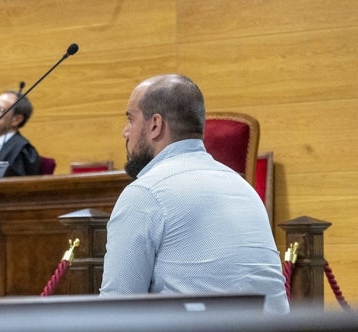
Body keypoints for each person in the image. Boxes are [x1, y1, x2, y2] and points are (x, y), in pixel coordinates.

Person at [99, 74, 289, 314]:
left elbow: (115, 313)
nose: (125, 132)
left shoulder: (144, 194)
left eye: (130, 119)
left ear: (155, 125)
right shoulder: (244, 188)